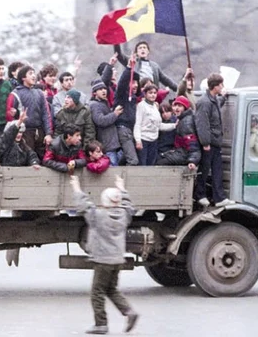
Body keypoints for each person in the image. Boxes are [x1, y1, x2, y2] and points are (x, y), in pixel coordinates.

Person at [70, 174, 139, 335]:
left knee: (97, 292)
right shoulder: (124, 215)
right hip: (117, 259)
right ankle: (129, 312)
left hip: (103, 260)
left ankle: (101, 324)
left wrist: (76, 187)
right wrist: (121, 188)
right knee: (111, 289)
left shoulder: (99, 216)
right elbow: (129, 205)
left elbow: (84, 205)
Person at [194, 73, 234, 207]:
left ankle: (219, 198)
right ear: (215, 86)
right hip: (209, 143)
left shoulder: (213, 99)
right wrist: (205, 142)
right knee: (204, 170)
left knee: (217, 170)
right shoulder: (204, 102)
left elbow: (218, 104)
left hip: (215, 142)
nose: (222, 87)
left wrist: (224, 96)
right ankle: (200, 195)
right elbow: (202, 123)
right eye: (221, 85)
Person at [6, 66, 54, 159]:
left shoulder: (39, 93)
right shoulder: (15, 94)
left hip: (40, 133)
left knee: (42, 160)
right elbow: (9, 117)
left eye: (34, 73)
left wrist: (48, 133)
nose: (33, 76)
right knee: (28, 160)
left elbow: (46, 114)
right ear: (23, 77)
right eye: (30, 73)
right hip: (24, 133)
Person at [113, 41, 178, 91]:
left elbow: (166, 80)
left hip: (151, 92)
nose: (142, 49)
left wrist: (179, 89)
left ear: (148, 51)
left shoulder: (155, 66)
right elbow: (119, 56)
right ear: (136, 52)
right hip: (137, 91)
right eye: (140, 48)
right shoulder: (132, 61)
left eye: (144, 48)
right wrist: (116, 41)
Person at [157, 96, 200, 170]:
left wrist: (192, 161)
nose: (176, 108)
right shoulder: (181, 119)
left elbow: (192, 144)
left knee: (159, 162)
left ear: (185, 108)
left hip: (184, 154)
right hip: (180, 152)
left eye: (180, 106)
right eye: (175, 105)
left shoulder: (186, 123)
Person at [134, 85, 173, 166]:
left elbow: (158, 125)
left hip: (154, 141)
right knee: (143, 165)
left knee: (151, 165)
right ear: (145, 94)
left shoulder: (155, 106)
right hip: (144, 140)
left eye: (155, 93)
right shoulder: (141, 106)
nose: (153, 95)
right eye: (150, 93)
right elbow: (137, 124)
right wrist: (138, 140)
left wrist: (174, 125)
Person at [88, 79, 122, 166]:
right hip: (107, 145)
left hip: (112, 144)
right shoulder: (94, 104)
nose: (103, 91)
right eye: (100, 89)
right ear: (94, 92)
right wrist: (115, 114)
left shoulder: (104, 103)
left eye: (104, 88)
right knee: (112, 171)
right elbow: (100, 120)